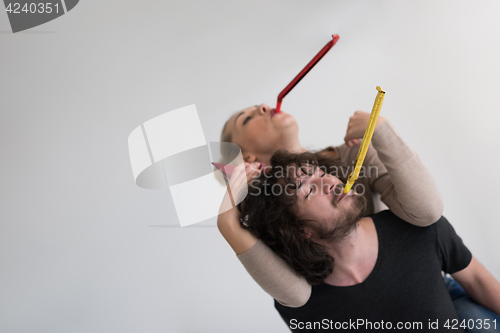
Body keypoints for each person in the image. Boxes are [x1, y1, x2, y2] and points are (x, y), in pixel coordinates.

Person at [218, 104, 500, 330]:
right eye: (246, 119)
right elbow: (295, 298)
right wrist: (228, 218)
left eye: (321, 173)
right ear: (245, 158)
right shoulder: (256, 217)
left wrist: (382, 130)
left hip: (422, 278)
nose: (264, 108)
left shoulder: (351, 154)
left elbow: (427, 213)